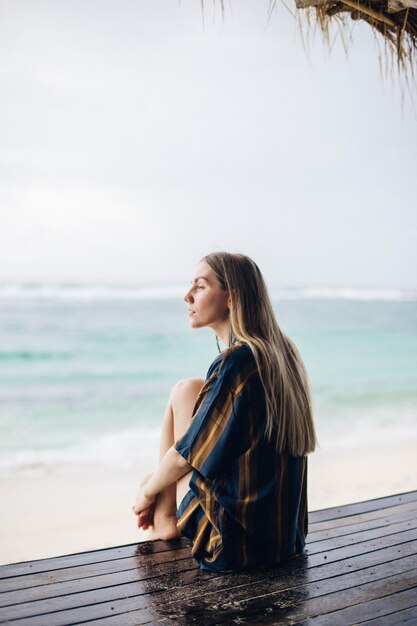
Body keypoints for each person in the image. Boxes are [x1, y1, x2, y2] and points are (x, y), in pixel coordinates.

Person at [133, 252, 317, 572]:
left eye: (200, 287)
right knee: (188, 388)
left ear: (231, 297)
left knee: (181, 402)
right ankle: (164, 508)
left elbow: (185, 456)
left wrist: (146, 491)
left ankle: (164, 515)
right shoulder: (284, 353)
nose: (187, 296)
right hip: (283, 541)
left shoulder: (237, 362)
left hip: (234, 546)